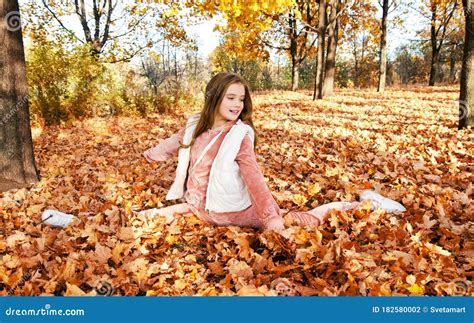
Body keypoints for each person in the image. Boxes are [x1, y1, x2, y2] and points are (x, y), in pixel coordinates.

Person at [142, 72, 406, 232]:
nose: (237, 104)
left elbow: (253, 176)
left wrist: (270, 218)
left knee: (301, 221)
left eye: (241, 99)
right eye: (230, 97)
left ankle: (366, 204)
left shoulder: (238, 135)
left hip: (235, 210)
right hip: (198, 207)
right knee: (154, 217)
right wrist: (153, 154)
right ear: (214, 97)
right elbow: (175, 141)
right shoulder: (195, 126)